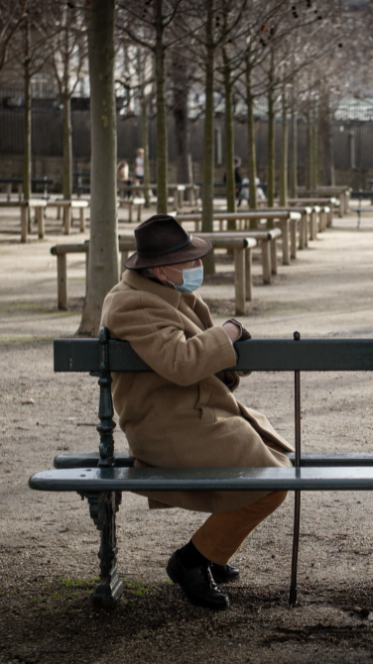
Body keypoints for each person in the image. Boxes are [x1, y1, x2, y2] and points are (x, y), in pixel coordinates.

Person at [100, 214, 293, 610]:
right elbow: (182, 362)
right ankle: (193, 559)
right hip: (169, 426)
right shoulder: (133, 303)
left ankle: (214, 549)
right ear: (159, 268)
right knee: (272, 481)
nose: (196, 267)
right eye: (187, 261)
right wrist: (227, 334)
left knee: (275, 464)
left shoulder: (171, 292)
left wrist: (227, 349)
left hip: (191, 414)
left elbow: (203, 360)